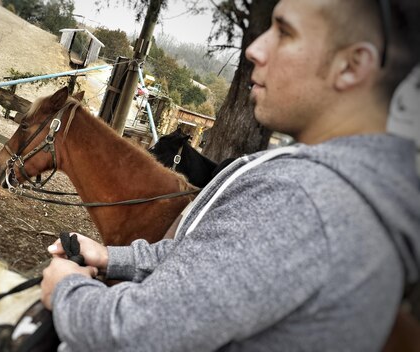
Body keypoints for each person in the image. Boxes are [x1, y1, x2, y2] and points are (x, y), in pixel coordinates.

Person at [40, 0, 420, 350]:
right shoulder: (355, 191)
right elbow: (217, 263)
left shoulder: (303, 197)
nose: (254, 49)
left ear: (351, 66)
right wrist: (111, 257)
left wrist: (66, 290)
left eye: (285, 32)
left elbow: (136, 332)